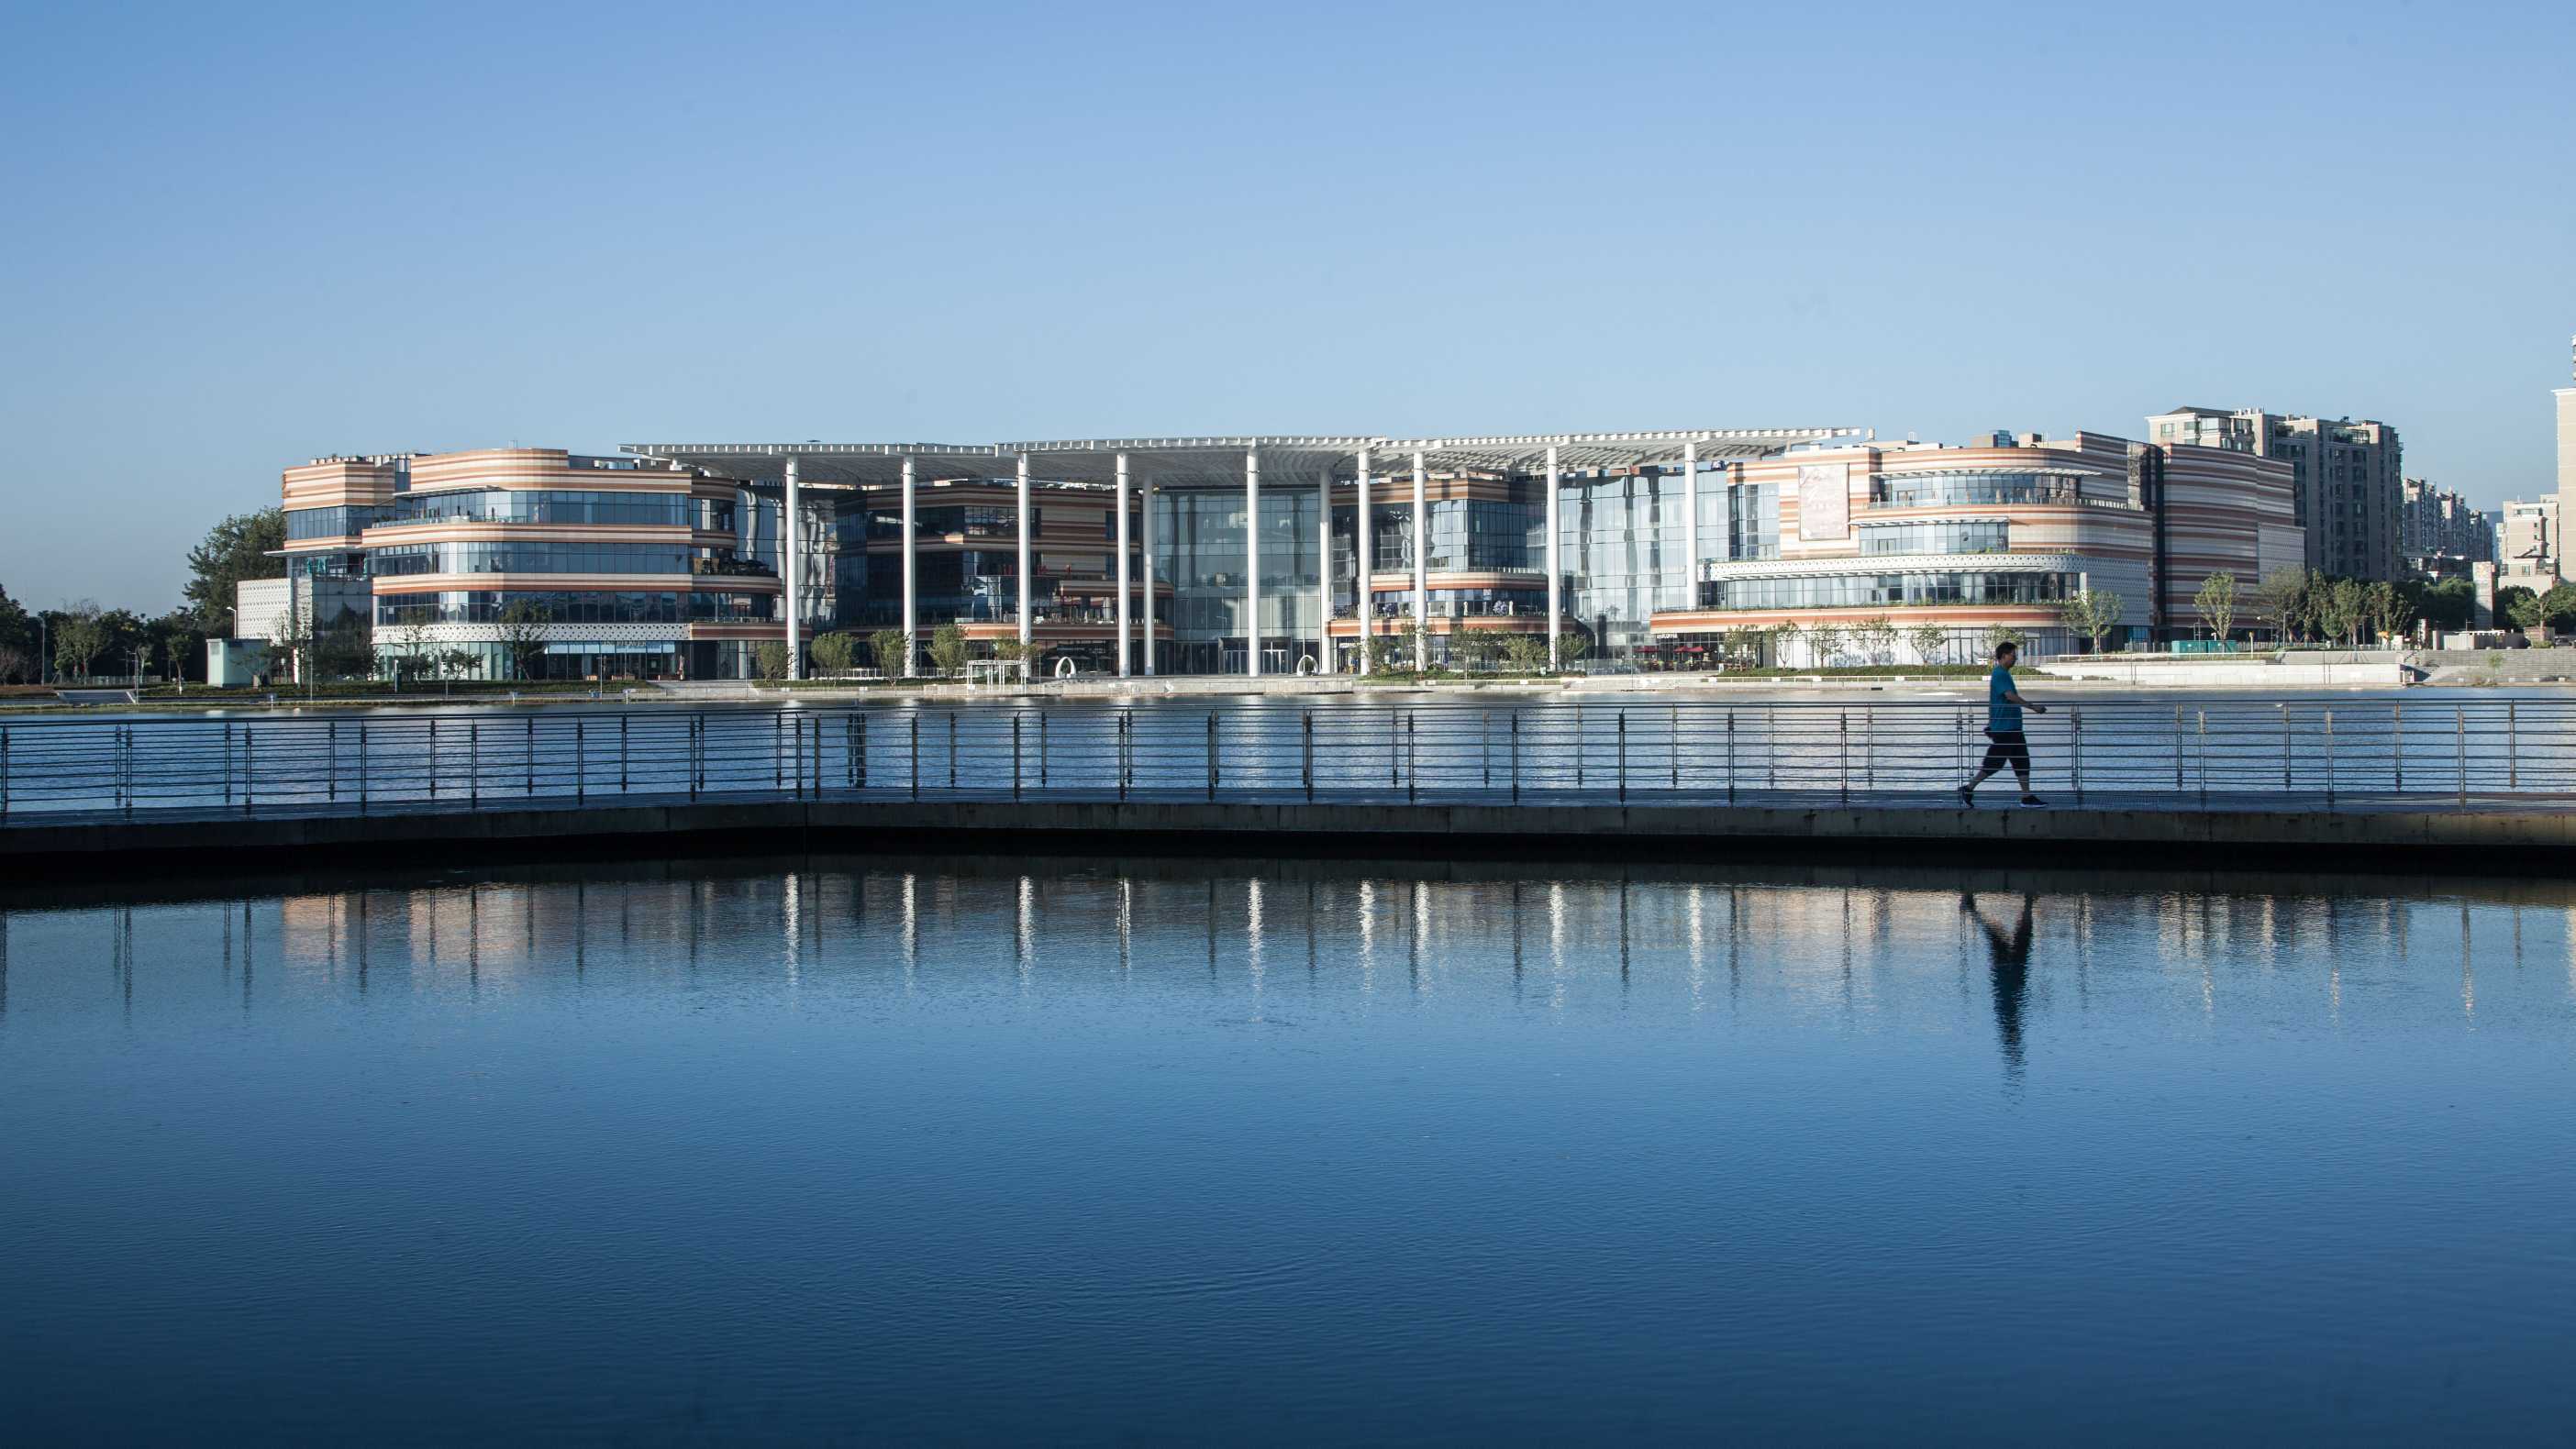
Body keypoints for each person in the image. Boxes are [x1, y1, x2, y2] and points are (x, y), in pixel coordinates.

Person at [1959, 640, 2047, 806]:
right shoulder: (2000, 674)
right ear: (2004, 656)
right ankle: (1969, 788)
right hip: (2005, 728)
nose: (2015, 659)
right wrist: (2033, 707)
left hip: (2012, 727)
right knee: (1995, 762)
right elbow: (2009, 696)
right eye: (2013, 655)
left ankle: (2026, 796)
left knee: (2021, 761)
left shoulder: (2003, 673)